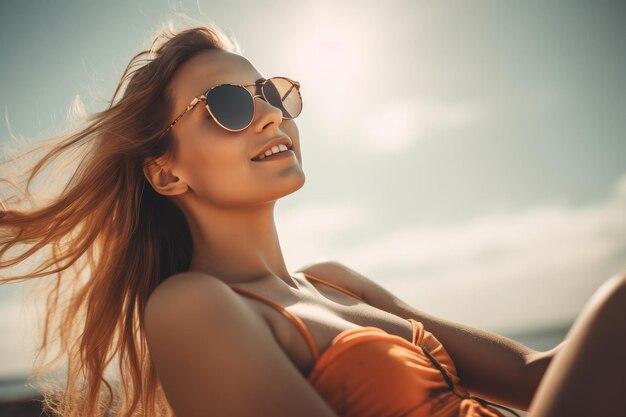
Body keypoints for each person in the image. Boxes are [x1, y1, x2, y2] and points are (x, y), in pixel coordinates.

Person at [1, 22, 625, 417]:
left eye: (270, 94)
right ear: (166, 173)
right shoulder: (191, 307)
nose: (271, 116)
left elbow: (538, 378)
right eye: (225, 105)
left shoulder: (338, 282)